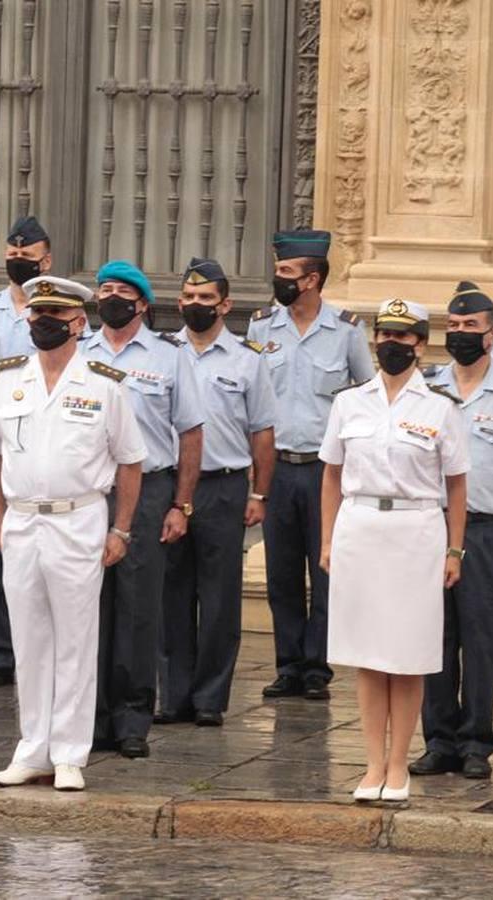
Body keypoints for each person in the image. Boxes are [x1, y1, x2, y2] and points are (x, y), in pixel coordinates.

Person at [0, 276, 146, 792]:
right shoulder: (7, 379)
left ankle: (70, 752)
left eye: (54, 315)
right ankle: (33, 749)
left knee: (75, 638)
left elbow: (131, 462)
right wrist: (0, 519)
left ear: (78, 323)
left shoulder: (103, 383)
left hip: (79, 518)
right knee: (29, 639)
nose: (42, 323)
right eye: (36, 314)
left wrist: (121, 528)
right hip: (25, 520)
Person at [320, 298, 468, 803]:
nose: (391, 344)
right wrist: (327, 538)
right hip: (360, 527)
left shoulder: (440, 407)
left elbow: (456, 486)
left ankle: (400, 763)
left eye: (402, 337)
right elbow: (332, 475)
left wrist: (455, 550)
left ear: (420, 344)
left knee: (406, 654)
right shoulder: (350, 402)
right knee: (367, 653)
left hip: (415, 530)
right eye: (384, 335)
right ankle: (372, 763)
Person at [78, 260, 204, 758]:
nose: (110, 298)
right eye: (103, 289)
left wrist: (181, 504)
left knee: (136, 607)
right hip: (90, 490)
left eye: (121, 292)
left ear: (142, 304)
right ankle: (91, 718)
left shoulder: (169, 357)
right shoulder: (78, 351)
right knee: (87, 605)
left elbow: (191, 433)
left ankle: (132, 718)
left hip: (150, 490)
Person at [411, 283, 493, 780]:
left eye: (472, 327)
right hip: (431, 528)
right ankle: (438, 740)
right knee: (434, 640)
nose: (460, 334)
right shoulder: (428, 388)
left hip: (489, 532)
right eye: (454, 326)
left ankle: (476, 744)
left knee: (483, 642)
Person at [247, 229, 374, 702]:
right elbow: (252, 401)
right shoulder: (262, 328)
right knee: (281, 570)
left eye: (286, 272)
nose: (278, 279)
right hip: (277, 467)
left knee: (325, 568)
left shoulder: (346, 330)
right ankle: (288, 665)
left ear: (312, 278)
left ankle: (317, 667)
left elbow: (367, 395)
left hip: (326, 471)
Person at [159, 258, 276, 727]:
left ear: (225, 305)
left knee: (220, 597)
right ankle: (173, 695)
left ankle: (209, 698)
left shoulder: (249, 358)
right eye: (188, 298)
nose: (195, 305)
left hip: (225, 487)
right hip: (171, 486)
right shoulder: (164, 352)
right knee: (171, 593)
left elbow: (263, 433)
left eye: (205, 299)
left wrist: (259, 494)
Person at [0, 215, 74, 691]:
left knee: (52, 561)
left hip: (51, 451)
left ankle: (47, 646)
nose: (18, 262)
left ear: (45, 260)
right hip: (1, 448)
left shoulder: (61, 311)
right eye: (11, 256)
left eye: (26, 257)